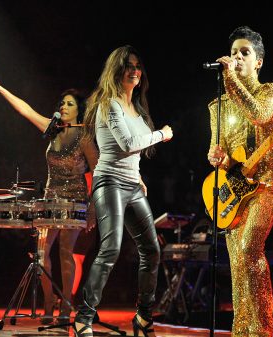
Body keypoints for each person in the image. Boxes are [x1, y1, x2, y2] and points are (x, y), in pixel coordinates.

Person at [0, 74, 99, 325]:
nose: (63, 107)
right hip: (50, 198)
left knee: (66, 253)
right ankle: (49, 301)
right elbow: (25, 110)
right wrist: (1, 88)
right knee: (41, 252)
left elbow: (97, 172)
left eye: (69, 104)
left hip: (75, 199)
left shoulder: (85, 137)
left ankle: (66, 307)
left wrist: (93, 208)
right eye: (62, 103)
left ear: (79, 110)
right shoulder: (52, 129)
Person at [73, 45, 172, 337]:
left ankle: (143, 317)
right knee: (111, 248)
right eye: (128, 66)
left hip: (131, 184)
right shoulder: (109, 104)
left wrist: (138, 175)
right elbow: (128, 144)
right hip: (109, 182)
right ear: (116, 71)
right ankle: (84, 317)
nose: (134, 71)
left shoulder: (137, 109)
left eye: (137, 66)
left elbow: (132, 154)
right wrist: (162, 135)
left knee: (152, 251)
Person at [207, 26, 273, 337]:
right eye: (234, 52)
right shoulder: (217, 105)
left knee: (249, 249)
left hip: (267, 184)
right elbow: (219, 149)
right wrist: (217, 157)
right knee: (237, 264)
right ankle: (241, 332)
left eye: (245, 52)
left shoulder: (272, 92)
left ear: (259, 62)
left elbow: (259, 116)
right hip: (236, 190)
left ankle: (262, 331)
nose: (237, 57)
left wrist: (230, 79)